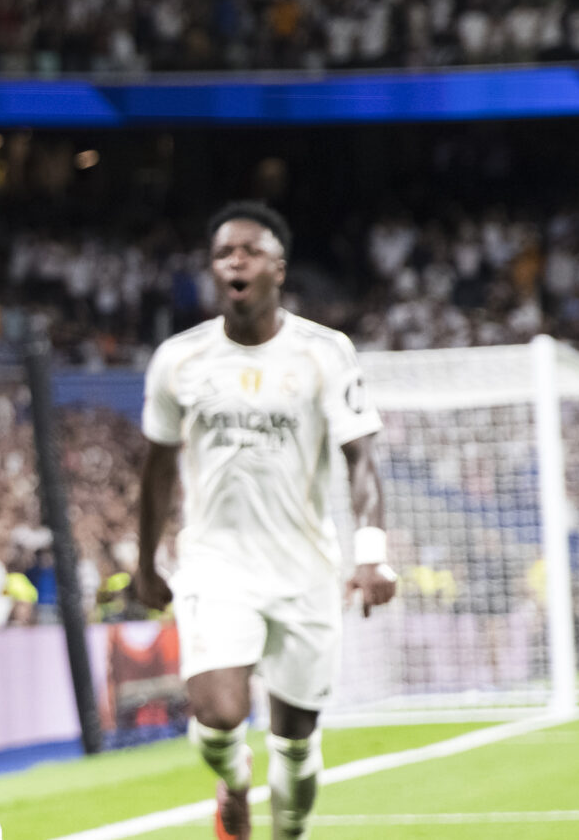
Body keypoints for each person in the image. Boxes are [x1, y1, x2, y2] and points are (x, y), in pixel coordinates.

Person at [133, 202, 396, 840]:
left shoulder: (324, 353)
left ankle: (288, 832)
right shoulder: (179, 360)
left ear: (278, 267)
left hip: (304, 569)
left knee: (297, 743)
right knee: (217, 713)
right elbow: (157, 470)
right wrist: (144, 562)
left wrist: (371, 550)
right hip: (216, 564)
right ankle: (233, 776)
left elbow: (360, 457)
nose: (235, 262)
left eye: (248, 251)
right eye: (223, 254)